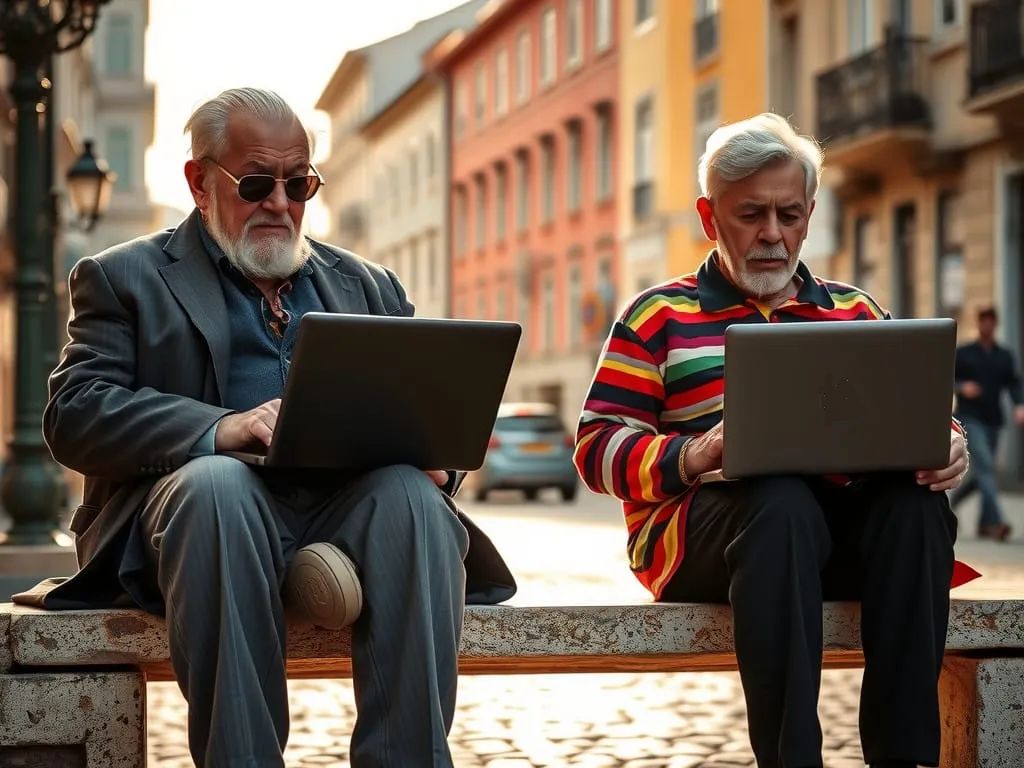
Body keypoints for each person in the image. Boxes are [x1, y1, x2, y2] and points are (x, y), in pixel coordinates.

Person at [12, 87, 515, 768]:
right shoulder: (123, 277)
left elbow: (426, 418)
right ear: (199, 182)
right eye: (256, 183)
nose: (280, 203)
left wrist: (435, 460)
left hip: (342, 518)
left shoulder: (371, 287)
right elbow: (75, 412)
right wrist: (221, 428)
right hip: (200, 524)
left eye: (299, 182)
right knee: (220, 488)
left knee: (414, 501)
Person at [574, 113, 971, 768]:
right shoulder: (656, 315)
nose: (772, 235)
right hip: (704, 540)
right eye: (750, 214)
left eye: (789, 215)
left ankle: (905, 758)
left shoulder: (855, 311)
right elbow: (594, 447)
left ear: (810, 211)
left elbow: (920, 411)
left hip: (832, 537)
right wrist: (696, 453)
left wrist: (947, 443)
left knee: (916, 504)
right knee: (779, 499)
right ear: (709, 216)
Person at [950, 305, 1024, 540]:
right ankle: (996, 522)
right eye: (984, 321)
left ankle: (969, 515)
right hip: (970, 419)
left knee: (982, 473)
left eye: (991, 321)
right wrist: (962, 387)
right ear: (979, 323)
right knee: (987, 469)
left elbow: (1014, 383)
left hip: (993, 420)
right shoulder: (964, 353)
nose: (987, 325)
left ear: (995, 324)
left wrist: (1019, 405)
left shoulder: (1004, 356)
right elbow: (947, 378)